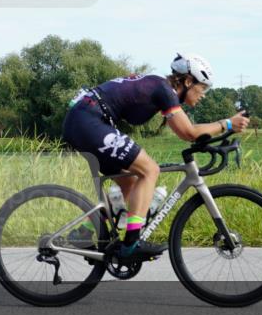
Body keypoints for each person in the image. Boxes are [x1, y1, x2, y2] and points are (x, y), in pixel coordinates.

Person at [61, 53, 250, 261]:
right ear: (187, 81)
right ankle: (132, 243)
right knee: (150, 170)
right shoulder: (164, 90)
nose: (203, 94)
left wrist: (219, 133)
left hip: (85, 119)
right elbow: (189, 133)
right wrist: (228, 124)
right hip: (89, 119)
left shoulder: (162, 90)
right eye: (202, 87)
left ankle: (83, 233)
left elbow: (187, 133)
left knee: (131, 184)